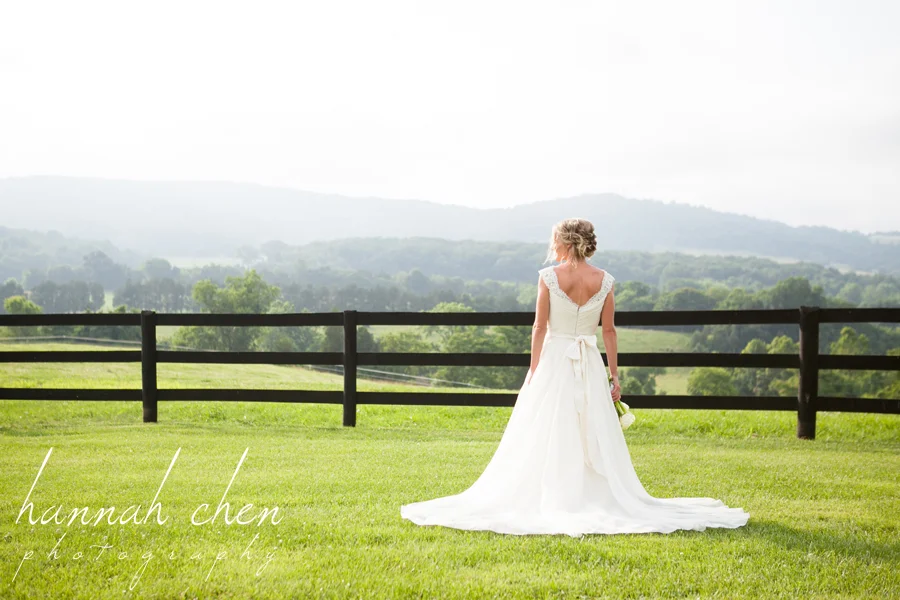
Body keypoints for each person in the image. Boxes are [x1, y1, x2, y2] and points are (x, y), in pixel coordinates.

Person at [400, 218, 750, 536]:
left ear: (565, 242)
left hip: (555, 359)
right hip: (588, 359)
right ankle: (591, 492)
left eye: (555, 240)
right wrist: (614, 375)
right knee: (589, 427)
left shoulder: (549, 277)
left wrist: (533, 369)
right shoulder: (605, 280)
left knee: (544, 426)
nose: (552, 246)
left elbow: (539, 327)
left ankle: (553, 491)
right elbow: (609, 331)